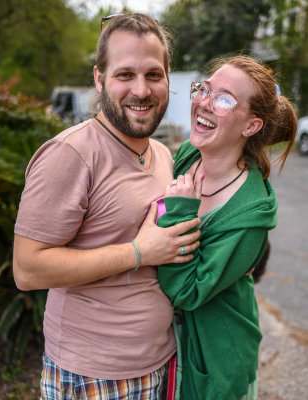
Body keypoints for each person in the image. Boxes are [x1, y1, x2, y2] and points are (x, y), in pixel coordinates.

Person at [12, 13, 201, 400]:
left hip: (161, 362)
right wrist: (138, 252)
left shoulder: (164, 154)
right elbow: (27, 269)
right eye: (125, 75)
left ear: (167, 79)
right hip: (93, 377)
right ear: (99, 79)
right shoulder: (72, 153)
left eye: (153, 74)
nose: (142, 89)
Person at [156, 55, 297, 400]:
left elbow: (188, 292)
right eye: (205, 89)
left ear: (251, 126)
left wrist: (179, 213)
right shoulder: (189, 154)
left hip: (217, 358)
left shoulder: (249, 216)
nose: (203, 102)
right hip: (169, 348)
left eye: (224, 99)